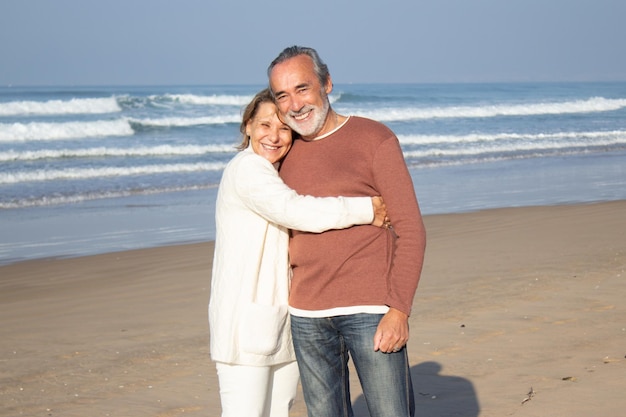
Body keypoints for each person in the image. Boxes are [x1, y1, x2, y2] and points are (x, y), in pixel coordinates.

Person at [267, 46, 427, 417]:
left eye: (302, 88)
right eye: (282, 95)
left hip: (370, 311)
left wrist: (399, 309)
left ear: (326, 83)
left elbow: (411, 230)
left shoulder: (374, 138)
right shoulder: (280, 152)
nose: (295, 104)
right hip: (306, 316)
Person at [208, 88, 388, 417]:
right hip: (245, 328)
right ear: (247, 126)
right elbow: (294, 210)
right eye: (264, 125)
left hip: (276, 324)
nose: (274, 136)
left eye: (283, 128)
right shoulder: (248, 169)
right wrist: (367, 210)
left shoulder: (274, 172)